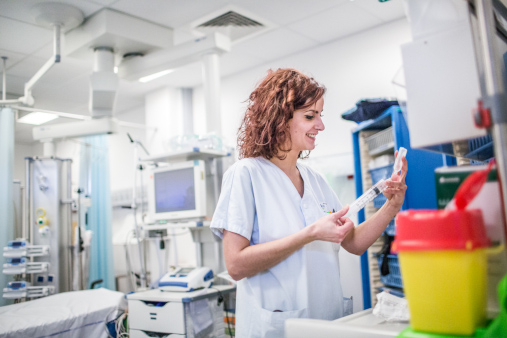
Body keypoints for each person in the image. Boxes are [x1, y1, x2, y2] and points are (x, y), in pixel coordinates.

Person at [210, 68, 407, 337]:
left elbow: (354, 243)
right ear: (279, 118)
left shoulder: (315, 180)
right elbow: (235, 265)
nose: (321, 126)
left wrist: (391, 207)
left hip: (325, 322)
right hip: (277, 328)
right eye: (309, 116)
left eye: (319, 116)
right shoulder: (245, 174)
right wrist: (309, 234)